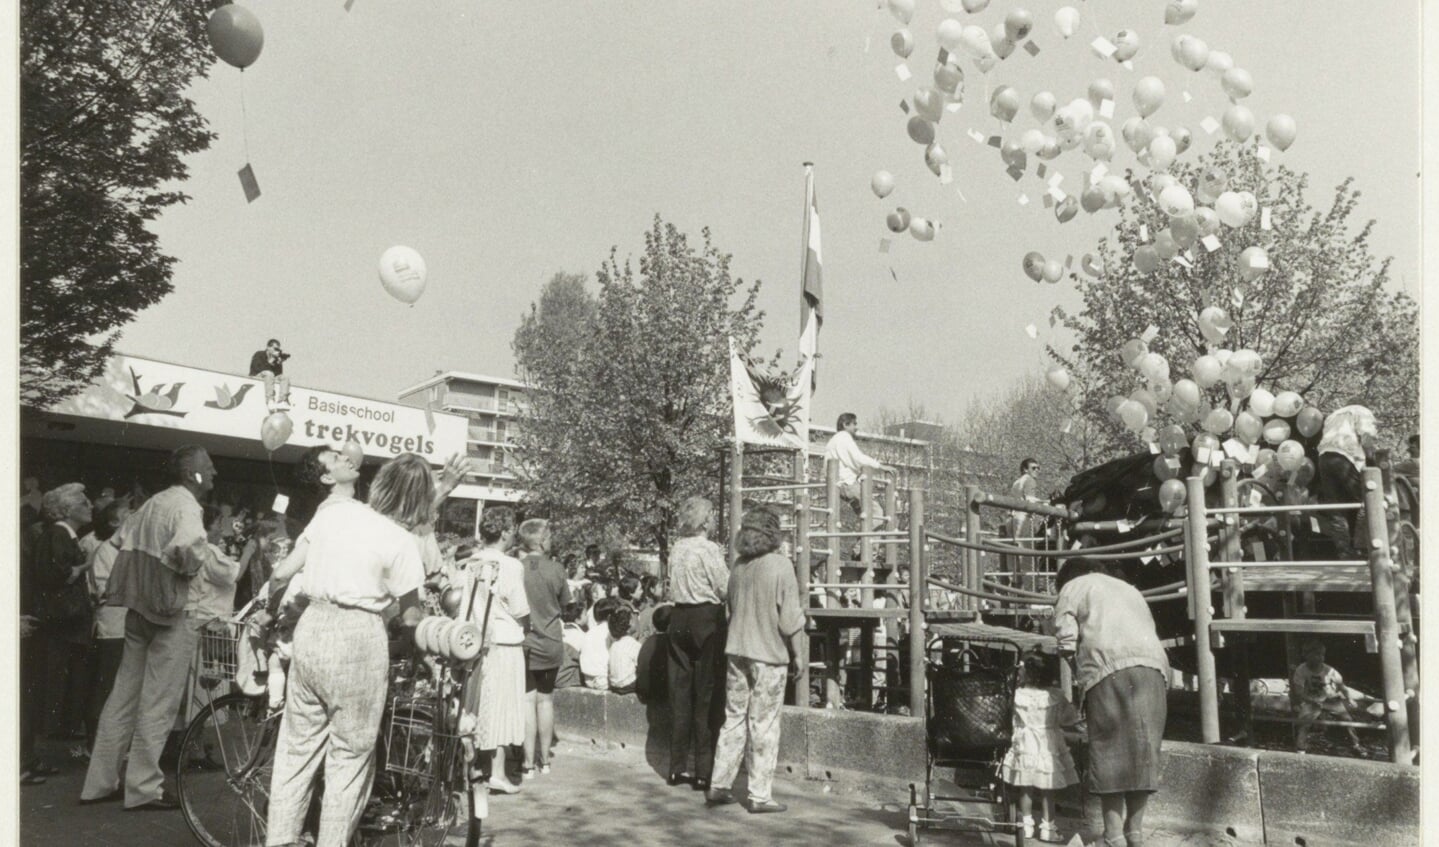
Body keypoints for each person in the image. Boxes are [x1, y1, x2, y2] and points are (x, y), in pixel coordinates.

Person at [263, 449, 430, 847]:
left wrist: (269, 616)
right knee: (350, 760)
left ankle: (278, 841)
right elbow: (410, 616)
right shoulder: (402, 540)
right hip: (359, 636)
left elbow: (282, 573)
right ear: (419, 503)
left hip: (313, 626)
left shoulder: (331, 513)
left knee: (296, 752)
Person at [82, 446, 227, 811]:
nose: (213, 474)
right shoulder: (186, 506)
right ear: (190, 473)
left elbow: (118, 540)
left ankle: (100, 782)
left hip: (138, 609)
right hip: (173, 614)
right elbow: (188, 548)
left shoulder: (153, 503)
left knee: (123, 697)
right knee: (158, 703)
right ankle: (144, 788)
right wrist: (187, 568)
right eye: (208, 467)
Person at [1054, 559, 1170, 847]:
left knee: (1109, 753)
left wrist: (1081, 672)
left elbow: (1066, 639)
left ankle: (1113, 836)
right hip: (1154, 668)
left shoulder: (1072, 587)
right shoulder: (1130, 589)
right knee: (1144, 752)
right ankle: (1136, 833)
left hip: (1107, 669)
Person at [707, 507, 806, 814]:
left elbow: (730, 611)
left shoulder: (738, 566)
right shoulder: (781, 565)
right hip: (769, 655)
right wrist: (799, 654)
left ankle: (719, 784)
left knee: (733, 718)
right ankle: (760, 795)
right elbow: (790, 618)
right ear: (773, 534)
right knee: (763, 724)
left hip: (737, 651)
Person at [456, 507, 531, 796]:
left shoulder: (471, 562)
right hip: (505, 641)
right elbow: (519, 608)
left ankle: (475, 767)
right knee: (504, 704)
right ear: (504, 532)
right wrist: (528, 625)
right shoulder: (511, 566)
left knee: (480, 703)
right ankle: (497, 772)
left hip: (477, 641)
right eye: (512, 529)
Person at [667, 495, 729, 790]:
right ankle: (704, 770)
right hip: (706, 617)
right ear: (705, 521)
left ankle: (676, 767)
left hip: (679, 618)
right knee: (705, 695)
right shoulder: (709, 549)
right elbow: (724, 587)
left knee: (680, 694)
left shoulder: (677, 547)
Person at [34, 483, 96, 747]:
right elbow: (58, 574)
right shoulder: (59, 534)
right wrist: (85, 565)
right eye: (84, 502)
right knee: (61, 674)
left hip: (67, 620)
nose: (90, 506)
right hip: (65, 620)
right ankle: (56, 728)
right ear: (68, 509)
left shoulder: (62, 534)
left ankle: (59, 726)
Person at [999, 652, 1080, 843]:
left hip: (1026, 741)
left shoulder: (1018, 694)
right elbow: (1069, 718)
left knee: (1025, 786)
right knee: (1047, 788)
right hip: (1048, 742)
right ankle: (1048, 827)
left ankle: (1026, 825)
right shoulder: (1056, 695)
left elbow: (1011, 719)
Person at [518, 518, 570, 776]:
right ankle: (545, 761)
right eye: (549, 537)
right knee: (546, 700)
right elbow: (565, 603)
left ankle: (527, 763)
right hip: (550, 641)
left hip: (524, 643)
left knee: (527, 700)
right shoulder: (557, 569)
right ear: (540, 540)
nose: (552, 541)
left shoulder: (517, 568)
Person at [85, 499, 133, 754]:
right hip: (112, 627)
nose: (133, 516)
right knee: (107, 686)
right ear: (114, 522)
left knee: (122, 688)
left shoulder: (128, 550)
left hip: (128, 627)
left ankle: (114, 745)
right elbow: (105, 591)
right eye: (127, 513)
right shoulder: (105, 551)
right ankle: (96, 745)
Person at [1315, 405, 1379, 558]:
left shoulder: (1333, 415)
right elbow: (1367, 438)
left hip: (1324, 458)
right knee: (1367, 501)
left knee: (1336, 506)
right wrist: (1372, 461)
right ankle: (1362, 547)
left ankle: (1344, 551)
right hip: (1346, 457)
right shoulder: (1362, 411)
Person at [823, 413, 896, 534]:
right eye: (854, 424)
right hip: (848, 484)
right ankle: (862, 551)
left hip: (838, 485)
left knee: (865, 516)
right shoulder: (844, 437)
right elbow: (858, 458)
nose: (856, 428)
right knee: (876, 513)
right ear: (845, 424)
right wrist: (880, 466)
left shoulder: (832, 441)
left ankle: (863, 549)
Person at [1290, 640, 1363, 754]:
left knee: (1347, 720)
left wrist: (1350, 699)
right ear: (1306, 655)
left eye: (1322, 654)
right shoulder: (1301, 670)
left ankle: (1356, 744)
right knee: (1304, 723)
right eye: (1316, 654)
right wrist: (1311, 701)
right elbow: (1298, 692)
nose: (1320, 658)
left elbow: (1342, 687)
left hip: (1330, 699)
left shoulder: (1330, 671)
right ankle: (1301, 749)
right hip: (1311, 700)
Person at [635, 604, 672, 705]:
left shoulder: (648, 642)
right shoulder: (670, 643)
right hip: (659, 694)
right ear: (670, 625)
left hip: (645, 691)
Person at [580, 598, 618, 690]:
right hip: (603, 679)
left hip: (588, 679)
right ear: (610, 616)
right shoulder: (610, 632)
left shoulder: (589, 632)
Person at [249, 337, 292, 412]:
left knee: (285, 377)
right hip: (257, 376)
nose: (276, 351)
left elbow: (278, 375)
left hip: (269, 377)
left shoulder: (276, 359)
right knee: (269, 373)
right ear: (268, 347)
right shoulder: (259, 354)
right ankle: (270, 400)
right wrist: (271, 360)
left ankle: (282, 401)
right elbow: (257, 368)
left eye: (278, 349)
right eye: (275, 348)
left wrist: (278, 363)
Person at [607, 606, 641, 695]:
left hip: (614, 685)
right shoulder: (633, 644)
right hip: (628, 685)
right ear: (629, 623)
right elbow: (641, 664)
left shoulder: (614, 645)